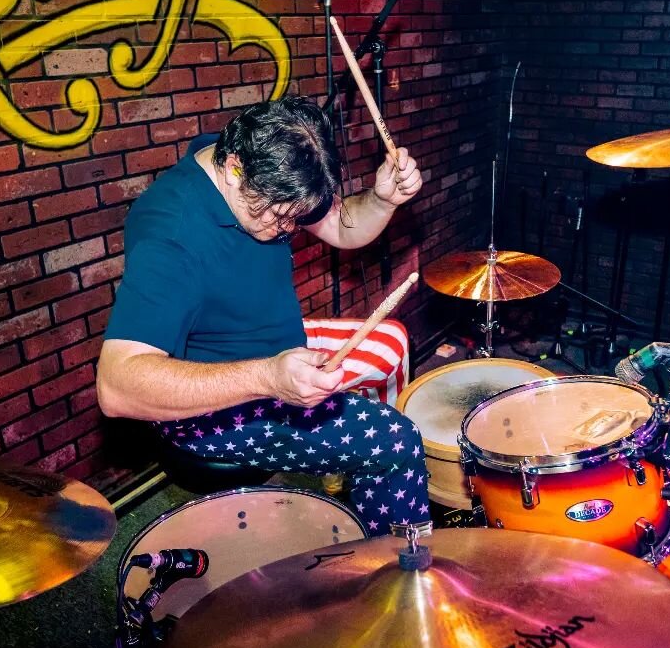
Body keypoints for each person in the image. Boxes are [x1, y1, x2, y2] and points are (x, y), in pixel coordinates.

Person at [96, 96, 430, 535]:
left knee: (391, 345)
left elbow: (341, 227)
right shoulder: (172, 235)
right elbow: (116, 387)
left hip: (273, 359)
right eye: (278, 217)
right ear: (235, 168)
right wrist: (268, 378)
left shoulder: (249, 156)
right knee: (396, 441)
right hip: (212, 410)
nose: (289, 231)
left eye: (296, 217)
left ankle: (360, 512)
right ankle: (397, 576)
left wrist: (383, 200)